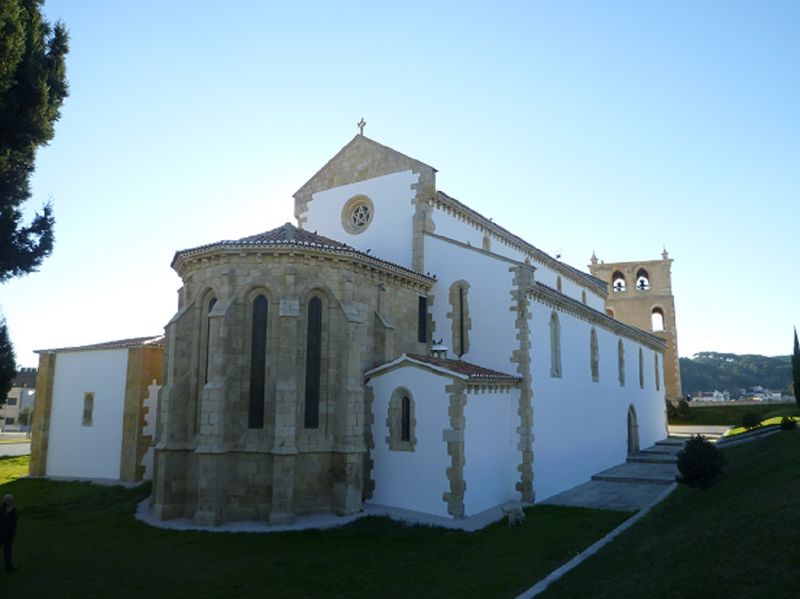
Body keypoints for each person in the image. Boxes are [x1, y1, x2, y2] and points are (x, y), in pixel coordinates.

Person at [0, 494, 17, 572]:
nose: (10, 502)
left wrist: (13, 532)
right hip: (1, 534)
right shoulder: (1, 509)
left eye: (11, 501)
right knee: (7, 550)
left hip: (9, 535)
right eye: (9, 501)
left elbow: (14, 521)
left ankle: (8, 567)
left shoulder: (13, 509)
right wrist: (7, 513)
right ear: (5, 501)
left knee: (8, 551)